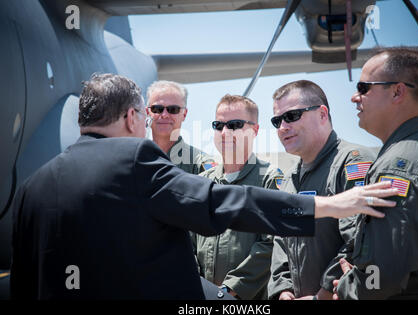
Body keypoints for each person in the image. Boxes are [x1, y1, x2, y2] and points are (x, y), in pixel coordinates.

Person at [10, 73, 397, 300]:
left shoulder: (33, 187)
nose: (151, 124)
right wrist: (326, 206)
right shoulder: (134, 160)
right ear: (131, 117)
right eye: (147, 115)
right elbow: (221, 202)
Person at [332, 48, 418, 299]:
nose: (355, 97)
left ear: (397, 91)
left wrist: (347, 287)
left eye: (364, 88)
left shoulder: (398, 165)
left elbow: (384, 276)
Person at [267, 80, 376, 300]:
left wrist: (323, 294)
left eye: (291, 116)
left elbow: (360, 239)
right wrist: (283, 289)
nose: (282, 128)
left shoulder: (353, 163)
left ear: (322, 114)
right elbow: (281, 241)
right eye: (277, 121)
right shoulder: (290, 178)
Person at [192, 94, 283, 300]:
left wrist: (229, 292)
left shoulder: (270, 180)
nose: (224, 132)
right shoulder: (201, 184)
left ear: (255, 130)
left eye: (234, 125)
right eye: (218, 125)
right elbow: (186, 242)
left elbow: (271, 244)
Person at [146, 80, 215, 174]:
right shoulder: (134, 160)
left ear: (184, 114)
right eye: (157, 109)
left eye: (173, 109)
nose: (164, 115)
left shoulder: (202, 165)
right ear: (147, 112)